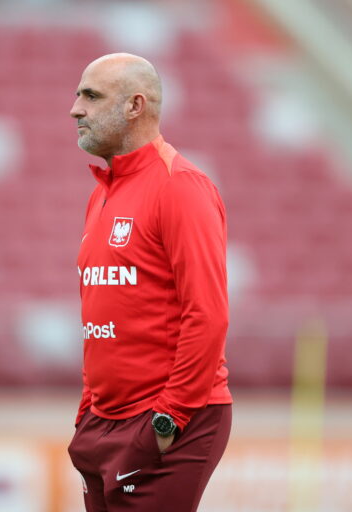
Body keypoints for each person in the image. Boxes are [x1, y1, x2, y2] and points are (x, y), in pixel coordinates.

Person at [67, 53, 232, 512]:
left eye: (91, 96)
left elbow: (209, 315)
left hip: (166, 420)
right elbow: (99, 311)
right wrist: (88, 408)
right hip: (103, 421)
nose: (75, 109)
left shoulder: (181, 187)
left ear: (135, 105)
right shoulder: (102, 193)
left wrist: (168, 421)